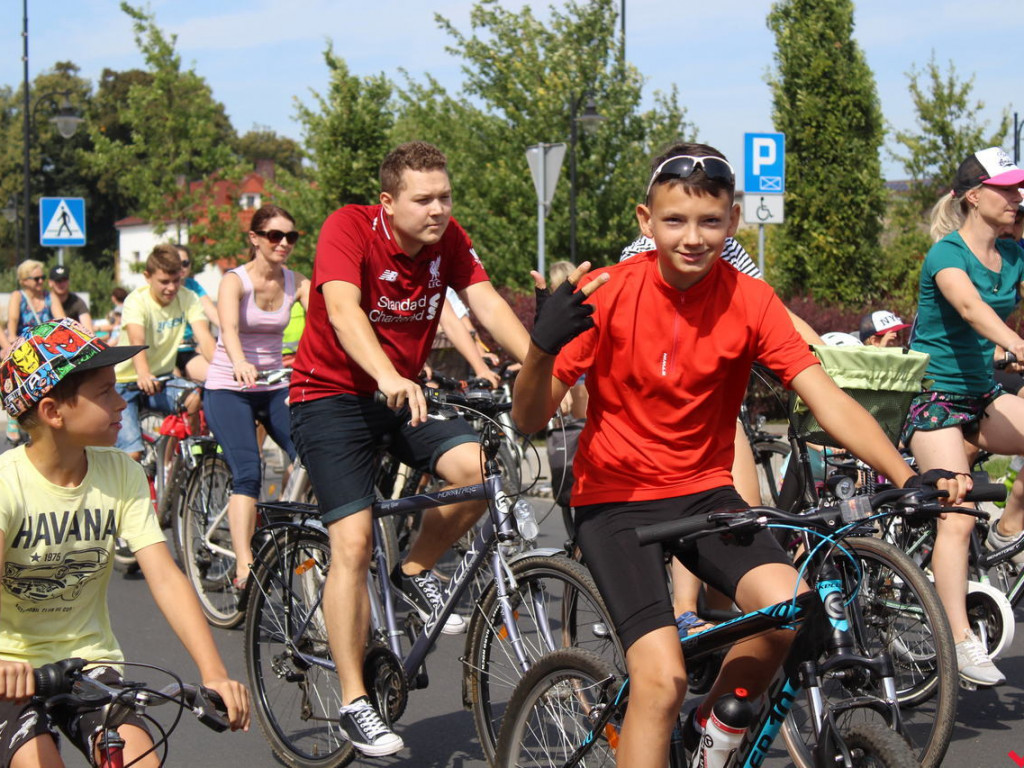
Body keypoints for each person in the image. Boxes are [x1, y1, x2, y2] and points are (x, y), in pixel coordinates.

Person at [511, 142, 967, 767]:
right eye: (674, 220)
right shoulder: (607, 292)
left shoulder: (750, 299)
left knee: (791, 612)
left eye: (709, 221)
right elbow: (529, 418)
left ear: (732, 221)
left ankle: (714, 732)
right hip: (616, 500)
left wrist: (908, 475)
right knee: (661, 682)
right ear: (646, 221)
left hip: (705, 493)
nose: (692, 237)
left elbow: (827, 400)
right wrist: (540, 349)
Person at [288, 141, 529, 756]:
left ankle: (414, 569)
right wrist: (386, 374)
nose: (439, 209)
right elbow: (343, 310)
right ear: (389, 202)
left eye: (445, 196)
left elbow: (486, 301)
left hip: (401, 395)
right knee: (353, 542)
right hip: (330, 398)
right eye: (424, 199)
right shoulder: (349, 228)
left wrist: (541, 365)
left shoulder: (449, 241)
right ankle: (354, 700)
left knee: (477, 469)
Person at [0, 318, 249, 768]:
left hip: (87, 664)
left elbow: (165, 577)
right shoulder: (7, 484)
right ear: (53, 412)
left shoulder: (122, 472)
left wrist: (214, 673)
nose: (121, 402)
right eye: (105, 393)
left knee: (139, 759)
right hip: (10, 671)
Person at [904, 146, 1024, 688]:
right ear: (974, 196)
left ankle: (1008, 529)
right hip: (934, 398)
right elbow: (972, 309)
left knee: (977, 513)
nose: (1017, 196)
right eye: (1007, 187)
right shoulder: (946, 254)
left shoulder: (1013, 254)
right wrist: (1016, 345)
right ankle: (957, 638)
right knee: (957, 516)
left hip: (981, 396)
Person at [203, 205, 310, 589]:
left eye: (290, 236)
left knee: (311, 455)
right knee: (249, 472)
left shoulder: (297, 282)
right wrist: (239, 362)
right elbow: (229, 330)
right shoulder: (235, 281)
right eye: (275, 236)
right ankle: (245, 566)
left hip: (275, 385)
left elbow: (324, 326)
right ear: (255, 238)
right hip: (230, 386)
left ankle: (282, 524)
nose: (284, 243)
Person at [113, 244, 215, 461]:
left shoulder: (187, 297)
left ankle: (187, 460)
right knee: (132, 453)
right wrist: (143, 373)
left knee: (193, 399)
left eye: (176, 280)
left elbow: (205, 337)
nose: (171, 288)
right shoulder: (137, 301)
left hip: (162, 379)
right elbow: (137, 340)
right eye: (164, 282)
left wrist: (222, 370)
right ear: (147, 277)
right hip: (126, 381)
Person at [6, 261, 65, 446]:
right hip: (25, 350)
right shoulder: (18, 297)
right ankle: (15, 418)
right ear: (24, 281)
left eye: (42, 278)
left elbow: (61, 322)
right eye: (36, 278)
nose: (41, 282)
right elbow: (12, 327)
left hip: (47, 350)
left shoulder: (50, 297)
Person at [174, 245, 219, 383]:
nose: (181, 267)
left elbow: (214, 315)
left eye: (185, 263)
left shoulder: (192, 287)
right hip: (163, 353)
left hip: (187, 350)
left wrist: (233, 331)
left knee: (214, 377)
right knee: (177, 387)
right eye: (176, 263)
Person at [48, 265, 93, 332]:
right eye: (58, 281)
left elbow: (89, 330)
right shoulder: (45, 302)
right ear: (50, 283)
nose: (62, 284)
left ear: (69, 281)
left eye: (64, 280)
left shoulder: (77, 302)